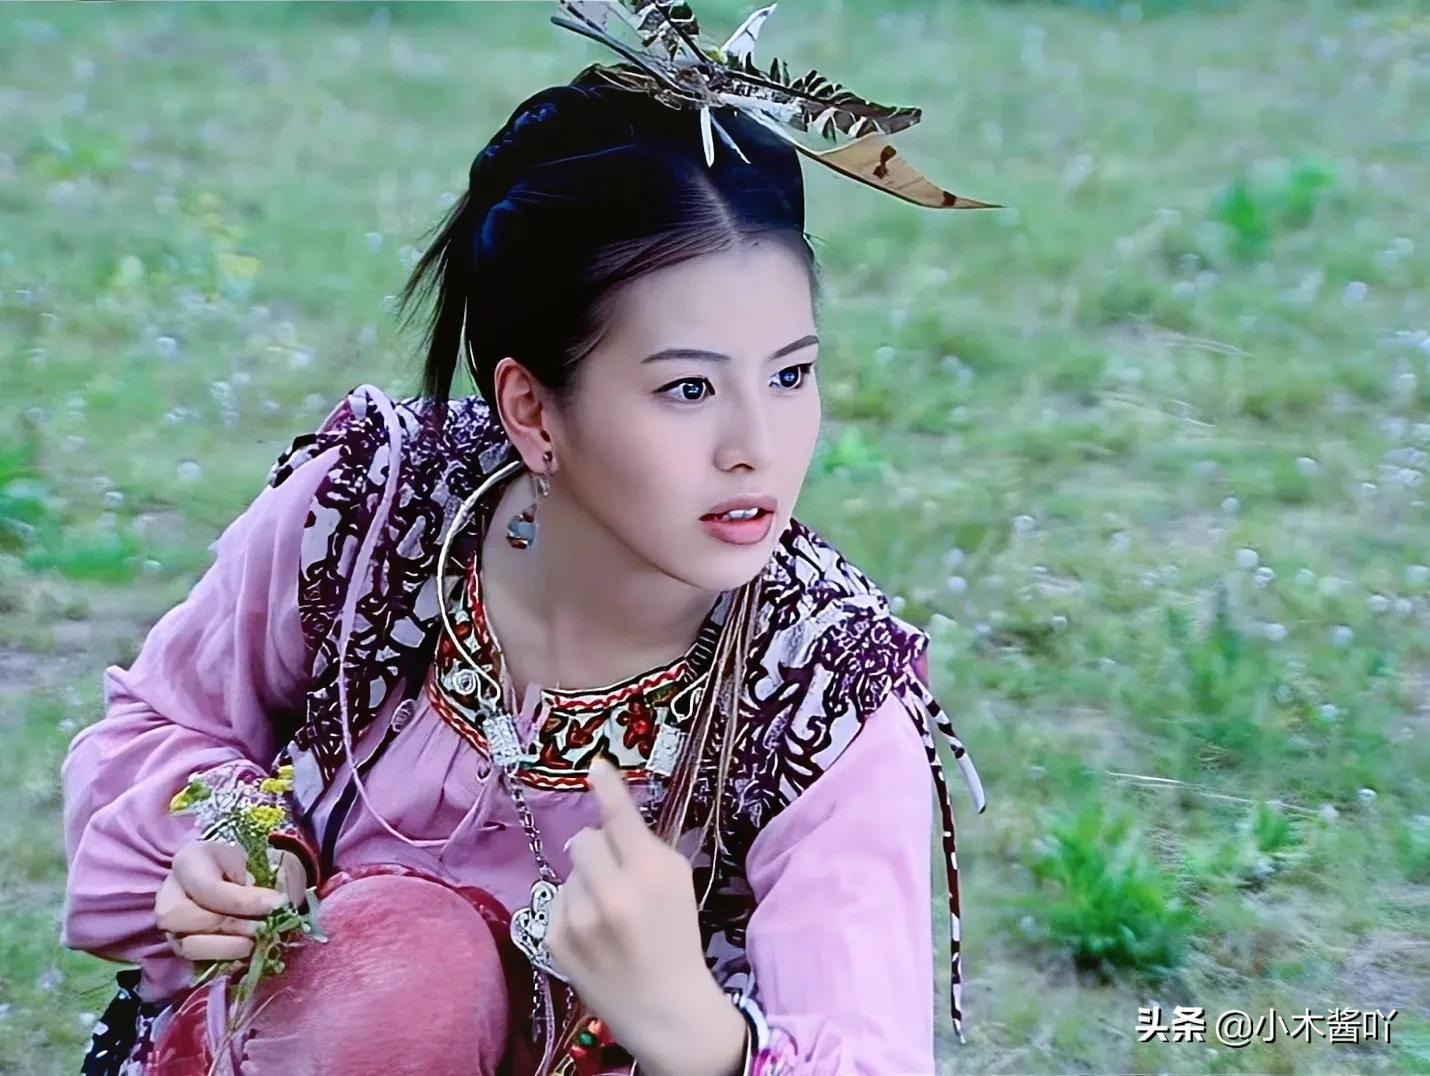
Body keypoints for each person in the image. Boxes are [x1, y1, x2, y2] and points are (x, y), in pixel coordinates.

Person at [61, 30, 991, 1076]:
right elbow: (160, 721)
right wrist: (239, 836)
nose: (756, 446)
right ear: (533, 409)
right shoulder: (376, 506)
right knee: (409, 971)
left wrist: (698, 1031)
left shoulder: (825, 690)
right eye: (688, 387)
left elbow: (869, 1053)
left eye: (790, 375)